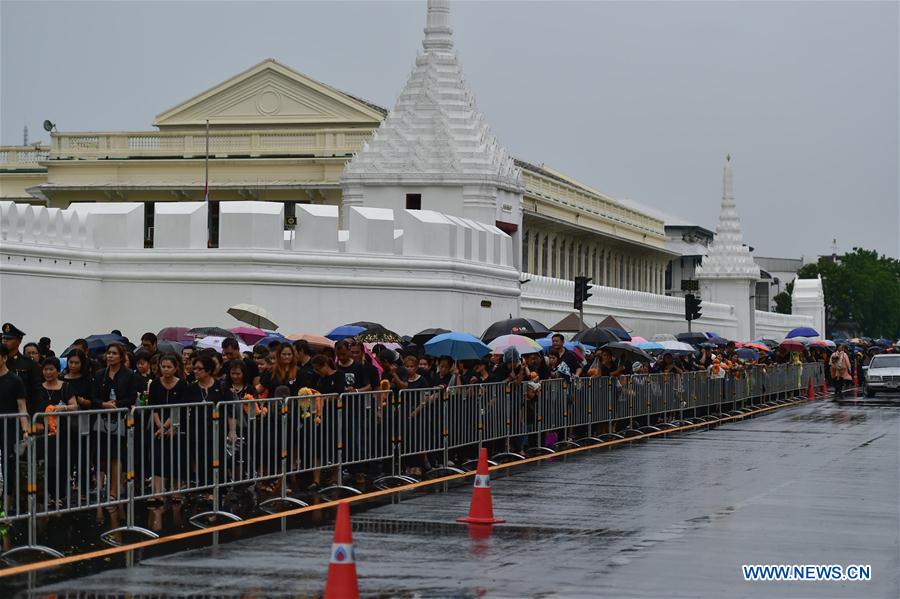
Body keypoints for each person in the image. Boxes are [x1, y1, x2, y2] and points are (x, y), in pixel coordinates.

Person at [90, 342, 140, 503]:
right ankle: (102, 486)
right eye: (108, 353)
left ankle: (113, 490)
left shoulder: (129, 375)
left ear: (121, 356)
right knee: (102, 456)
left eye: (114, 353)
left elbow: (132, 397)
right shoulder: (99, 374)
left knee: (116, 456)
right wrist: (104, 404)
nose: (110, 356)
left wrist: (117, 405)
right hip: (102, 420)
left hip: (120, 419)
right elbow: (93, 397)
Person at [145, 354, 188, 501]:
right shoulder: (156, 384)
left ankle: (176, 490)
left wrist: (166, 426)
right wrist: (159, 425)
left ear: (176, 368)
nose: (166, 370)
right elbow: (153, 407)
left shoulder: (182, 384)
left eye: (169, 367)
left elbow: (179, 407)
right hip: (158, 425)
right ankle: (157, 492)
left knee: (176, 457)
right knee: (157, 457)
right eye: (163, 366)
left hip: (176, 424)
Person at [0, 344, 29, 510]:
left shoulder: (15, 380)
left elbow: (22, 407)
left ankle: (7, 504)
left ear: (4, 358)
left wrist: (25, 430)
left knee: (8, 466)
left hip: (10, 428)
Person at [1, 323, 41, 416]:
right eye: (4, 338)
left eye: (9, 339)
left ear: (19, 341)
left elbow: (37, 393)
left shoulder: (29, 364)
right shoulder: (1, 362)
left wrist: (38, 419)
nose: (5, 341)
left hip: (23, 413)